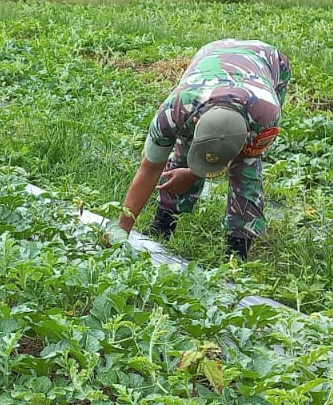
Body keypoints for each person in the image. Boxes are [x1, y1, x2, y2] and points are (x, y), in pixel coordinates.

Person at [114, 39, 289, 260]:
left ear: (247, 134)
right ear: (195, 120)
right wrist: (120, 231)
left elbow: (244, 153)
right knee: (183, 151)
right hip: (212, 55)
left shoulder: (266, 116)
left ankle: (238, 249)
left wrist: (196, 172)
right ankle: (164, 223)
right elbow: (149, 169)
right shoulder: (175, 110)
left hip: (268, 61)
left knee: (247, 167)